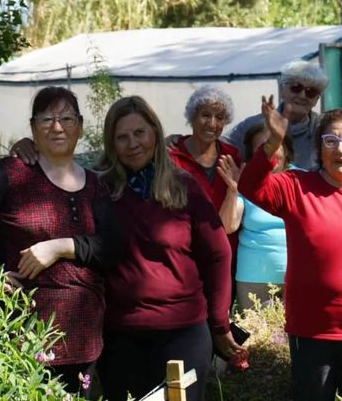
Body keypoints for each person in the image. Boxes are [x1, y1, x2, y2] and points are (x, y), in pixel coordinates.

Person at [0, 86, 122, 397]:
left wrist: (61, 246)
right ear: (33, 126)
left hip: (87, 341)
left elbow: (112, 249)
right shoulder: (14, 175)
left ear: (79, 126)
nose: (57, 126)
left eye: (66, 118)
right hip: (26, 344)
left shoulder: (95, 185)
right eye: (47, 119)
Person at [238, 97, 342, 401]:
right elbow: (250, 187)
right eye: (331, 140)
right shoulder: (295, 186)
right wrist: (272, 144)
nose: (341, 149)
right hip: (312, 331)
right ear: (319, 150)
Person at [94, 96, 242, 401]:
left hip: (183, 333)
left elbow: (218, 253)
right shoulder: (97, 189)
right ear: (111, 143)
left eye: (139, 133)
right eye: (121, 137)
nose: (132, 143)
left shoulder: (184, 186)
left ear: (154, 133)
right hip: (121, 336)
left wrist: (219, 321)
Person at [224, 60, 342, 169]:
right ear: (282, 89)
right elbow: (220, 149)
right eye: (296, 88)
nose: (302, 95)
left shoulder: (323, 126)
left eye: (310, 92)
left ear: (317, 99)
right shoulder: (255, 126)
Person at [230, 124, 296, 310]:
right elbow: (229, 225)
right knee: (257, 338)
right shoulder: (245, 183)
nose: (271, 152)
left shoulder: (303, 180)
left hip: (297, 278)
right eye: (263, 148)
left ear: (287, 149)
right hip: (253, 279)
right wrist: (233, 189)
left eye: (275, 144)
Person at [168, 85, 242, 231]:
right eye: (206, 115)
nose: (212, 124)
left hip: (226, 247)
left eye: (219, 117)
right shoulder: (173, 156)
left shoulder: (231, 156)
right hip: (188, 246)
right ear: (192, 117)